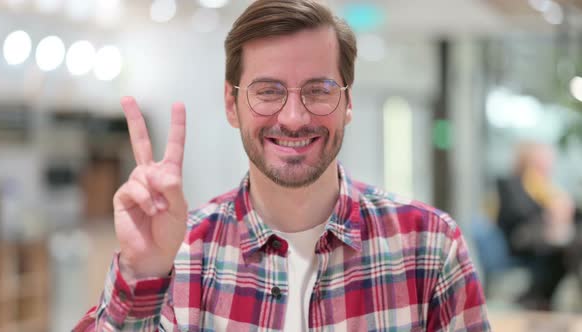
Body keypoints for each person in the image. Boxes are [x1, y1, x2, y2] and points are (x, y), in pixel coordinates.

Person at [74, 0, 490, 330]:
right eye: (268, 91)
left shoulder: (429, 247)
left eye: (319, 89)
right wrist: (143, 271)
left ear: (348, 102)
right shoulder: (183, 255)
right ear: (230, 104)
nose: (293, 117)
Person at [496, 141, 577, 310]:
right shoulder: (511, 183)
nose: (550, 163)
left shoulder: (547, 186)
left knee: (571, 248)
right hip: (523, 241)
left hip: (545, 241)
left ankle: (541, 298)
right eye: (545, 158)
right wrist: (550, 212)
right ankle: (536, 297)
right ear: (529, 159)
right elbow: (518, 214)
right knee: (564, 250)